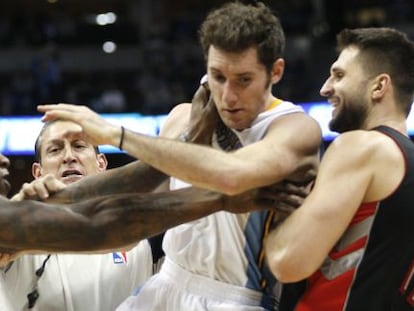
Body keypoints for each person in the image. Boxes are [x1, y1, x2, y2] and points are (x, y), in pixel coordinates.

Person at [38, 2, 322, 310]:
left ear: (275, 71)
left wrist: (116, 135)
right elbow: (141, 221)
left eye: (243, 79)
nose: (228, 95)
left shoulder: (294, 129)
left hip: (237, 297)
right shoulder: (182, 118)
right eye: (218, 76)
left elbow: (232, 174)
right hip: (166, 283)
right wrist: (41, 228)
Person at [265, 27, 414, 311]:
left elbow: (287, 262)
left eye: (339, 75)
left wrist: (278, 217)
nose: (325, 87)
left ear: (379, 86)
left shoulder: (359, 146)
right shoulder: (405, 162)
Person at [0, 120, 156, 311]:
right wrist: (14, 218)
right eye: (55, 150)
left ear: (101, 164)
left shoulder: (140, 222)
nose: (68, 157)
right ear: (37, 173)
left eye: (79, 146)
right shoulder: (17, 232)